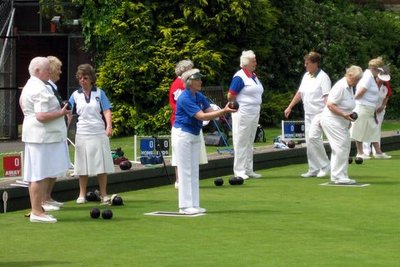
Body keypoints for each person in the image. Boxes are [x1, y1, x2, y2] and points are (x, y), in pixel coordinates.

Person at [173, 68, 236, 214]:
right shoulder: (185, 98)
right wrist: (225, 111)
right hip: (182, 135)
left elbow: (209, 112)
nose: (200, 81)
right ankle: (184, 206)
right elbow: (201, 116)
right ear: (189, 82)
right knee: (185, 170)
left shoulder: (198, 96)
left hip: (194, 134)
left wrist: (223, 110)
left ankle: (194, 204)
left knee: (194, 170)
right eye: (197, 79)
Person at [19, 57, 71, 223]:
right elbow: (41, 116)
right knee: (38, 174)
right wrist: (61, 113)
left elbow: (24, 107)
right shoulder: (39, 88)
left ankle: (39, 209)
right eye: (47, 69)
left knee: (38, 173)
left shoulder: (32, 85)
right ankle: (36, 212)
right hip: (41, 136)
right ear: (37, 71)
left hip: (39, 135)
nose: (50, 72)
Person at [68, 64, 114, 205]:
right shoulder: (75, 95)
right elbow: (68, 112)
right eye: (80, 78)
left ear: (92, 78)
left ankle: (104, 194)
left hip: (99, 132)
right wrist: (64, 129)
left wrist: (109, 126)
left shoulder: (100, 93)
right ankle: (81, 194)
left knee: (101, 164)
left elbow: (106, 110)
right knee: (82, 165)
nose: (83, 80)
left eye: (86, 78)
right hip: (82, 132)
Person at [284, 51, 331, 178]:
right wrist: (290, 107)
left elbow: (327, 97)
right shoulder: (306, 76)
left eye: (308, 63)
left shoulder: (323, 77)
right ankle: (313, 168)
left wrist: (329, 113)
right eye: (305, 63)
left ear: (315, 63)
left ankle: (325, 164)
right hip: (308, 113)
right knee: (309, 141)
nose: (305, 65)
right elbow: (300, 93)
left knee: (314, 138)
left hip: (319, 113)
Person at [320, 65, 364, 184]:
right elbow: (330, 105)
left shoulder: (349, 87)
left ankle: (340, 175)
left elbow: (346, 106)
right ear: (349, 75)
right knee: (340, 147)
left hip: (341, 121)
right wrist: (344, 115)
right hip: (331, 120)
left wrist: (347, 119)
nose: (357, 82)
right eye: (356, 79)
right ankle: (338, 176)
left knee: (344, 147)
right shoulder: (340, 86)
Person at [169, 60, 208, 189]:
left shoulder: (194, 91)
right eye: (191, 69)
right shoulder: (179, 85)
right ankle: (179, 180)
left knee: (190, 155)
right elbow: (180, 105)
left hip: (192, 123)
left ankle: (188, 180)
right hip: (182, 124)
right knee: (180, 154)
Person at [227, 50, 264, 180]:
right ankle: (239, 171)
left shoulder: (253, 76)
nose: (255, 63)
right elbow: (231, 95)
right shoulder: (240, 76)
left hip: (254, 112)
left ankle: (249, 169)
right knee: (241, 141)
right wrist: (235, 108)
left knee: (249, 141)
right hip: (243, 112)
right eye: (253, 61)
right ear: (246, 62)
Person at [40, 55, 69, 212]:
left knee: (56, 166)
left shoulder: (53, 87)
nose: (60, 72)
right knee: (48, 167)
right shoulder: (45, 87)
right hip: (50, 133)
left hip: (58, 132)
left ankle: (48, 197)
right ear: (50, 70)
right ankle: (43, 200)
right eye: (58, 69)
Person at [351, 57, 391, 159]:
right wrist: (350, 102)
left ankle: (378, 152)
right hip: (363, 107)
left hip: (369, 108)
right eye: (378, 70)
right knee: (359, 130)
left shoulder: (370, 77)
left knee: (373, 131)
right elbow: (360, 93)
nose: (379, 73)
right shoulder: (368, 77)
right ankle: (360, 153)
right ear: (374, 68)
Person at [362, 67, 392, 156]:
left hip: (380, 111)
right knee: (367, 128)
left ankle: (376, 151)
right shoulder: (370, 83)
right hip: (368, 109)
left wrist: (382, 106)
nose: (382, 80)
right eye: (381, 79)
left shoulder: (386, 85)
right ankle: (366, 150)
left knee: (377, 129)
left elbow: (388, 95)